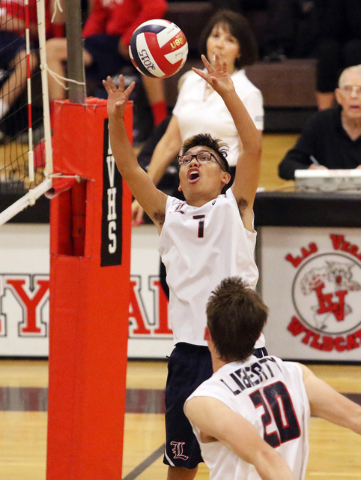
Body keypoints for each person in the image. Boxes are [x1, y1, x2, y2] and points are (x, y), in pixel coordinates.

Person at [104, 52, 264, 480]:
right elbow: (128, 167)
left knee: (252, 462)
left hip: (243, 355)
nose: (193, 161)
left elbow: (253, 146)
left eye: (205, 158)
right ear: (179, 178)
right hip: (189, 355)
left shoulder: (236, 207)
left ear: (225, 177)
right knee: (182, 464)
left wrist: (227, 93)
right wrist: (115, 120)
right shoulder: (168, 213)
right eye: (187, 157)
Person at [184, 277, 361, 480]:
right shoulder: (295, 373)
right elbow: (356, 416)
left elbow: (266, 456)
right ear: (259, 334)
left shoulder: (206, 400)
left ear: (207, 333)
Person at [132, 9, 264, 225]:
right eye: (215, 36)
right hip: (186, 181)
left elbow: (250, 152)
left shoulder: (249, 92)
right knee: (173, 256)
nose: (220, 44)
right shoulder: (189, 81)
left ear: (240, 51)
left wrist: (242, 203)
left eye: (230, 39)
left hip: (224, 187)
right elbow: (169, 143)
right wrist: (144, 193)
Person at [45, 0, 168, 129]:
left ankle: (161, 124)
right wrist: (86, 41)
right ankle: (55, 122)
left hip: (139, 37)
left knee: (148, 55)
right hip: (110, 42)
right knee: (51, 49)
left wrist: (129, 38)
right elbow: (98, 15)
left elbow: (157, 7)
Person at [278, 64, 361, 180]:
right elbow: (286, 166)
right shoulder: (321, 121)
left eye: (360, 90)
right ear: (338, 96)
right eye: (347, 89)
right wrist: (310, 172)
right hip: (327, 196)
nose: (353, 96)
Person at [312, 0, 361, 110]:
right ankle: (323, 117)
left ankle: (356, 115)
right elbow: (324, 28)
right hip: (330, 34)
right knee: (327, 52)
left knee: (354, 50)